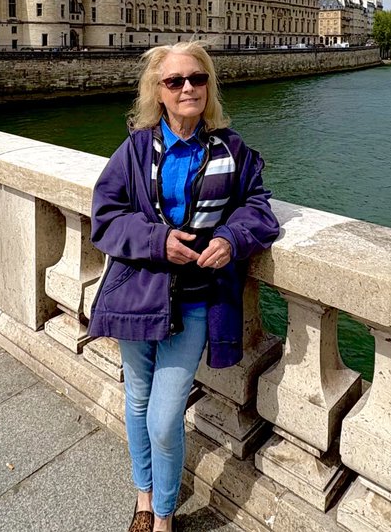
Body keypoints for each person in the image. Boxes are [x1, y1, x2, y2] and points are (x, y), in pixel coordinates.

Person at [89, 42, 279, 532]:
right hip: (140, 294)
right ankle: (144, 498)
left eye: (197, 79)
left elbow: (258, 208)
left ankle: (165, 515)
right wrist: (156, 241)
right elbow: (105, 216)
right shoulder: (134, 150)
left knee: (164, 416)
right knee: (136, 399)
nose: (188, 88)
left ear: (209, 85)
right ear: (158, 91)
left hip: (196, 299)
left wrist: (231, 238)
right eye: (175, 81)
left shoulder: (231, 150)